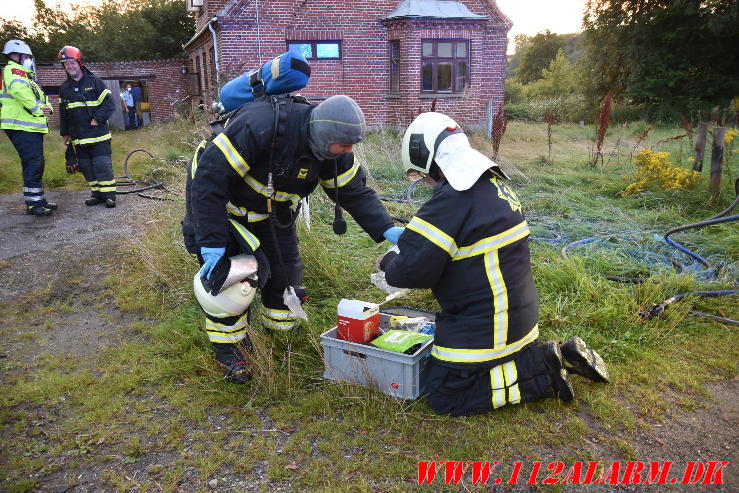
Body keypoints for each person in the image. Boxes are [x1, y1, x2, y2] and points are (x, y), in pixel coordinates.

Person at [377, 112, 609, 417]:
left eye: (423, 175)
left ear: (429, 159)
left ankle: (540, 372)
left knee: (444, 392)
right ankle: (550, 354)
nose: (427, 183)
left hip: (489, 327)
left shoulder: (451, 199)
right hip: (521, 323)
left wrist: (388, 261)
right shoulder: (494, 187)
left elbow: (412, 271)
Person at [183, 94, 402, 383]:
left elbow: (354, 192)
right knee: (231, 288)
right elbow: (209, 183)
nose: (350, 150)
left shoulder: (332, 152)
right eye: (346, 145)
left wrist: (387, 228)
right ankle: (234, 354)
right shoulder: (259, 126)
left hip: (272, 213)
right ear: (324, 135)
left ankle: (281, 341)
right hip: (220, 209)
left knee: (287, 280)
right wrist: (212, 241)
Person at [1, 39, 56, 216]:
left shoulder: (27, 76)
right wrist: (38, 109)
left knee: (35, 162)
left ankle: (38, 199)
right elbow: (20, 93)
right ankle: (34, 204)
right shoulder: (13, 70)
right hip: (20, 125)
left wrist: (48, 107)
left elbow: (42, 98)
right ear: (14, 56)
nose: (27, 59)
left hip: (29, 126)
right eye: (24, 56)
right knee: (33, 162)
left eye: (27, 56)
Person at [58, 45, 117, 208]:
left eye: (72, 62)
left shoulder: (95, 82)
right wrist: (65, 133)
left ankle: (110, 195)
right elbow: (63, 113)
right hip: (78, 137)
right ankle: (97, 194)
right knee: (86, 167)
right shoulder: (64, 88)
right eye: (66, 64)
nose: (69, 66)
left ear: (79, 62)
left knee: (101, 165)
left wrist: (97, 119)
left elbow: (109, 103)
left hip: (98, 135)